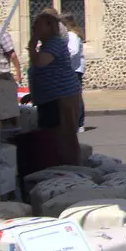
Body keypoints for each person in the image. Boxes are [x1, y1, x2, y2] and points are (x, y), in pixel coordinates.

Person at [27, 11, 83, 170]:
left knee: (64, 137)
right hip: (50, 97)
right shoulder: (48, 44)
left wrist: (33, 42)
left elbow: (40, 62)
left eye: (38, 23)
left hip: (62, 97)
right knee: (52, 135)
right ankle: (58, 167)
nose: (34, 26)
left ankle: (71, 170)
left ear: (49, 26)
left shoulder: (55, 42)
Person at [62, 14, 87, 129]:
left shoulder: (72, 35)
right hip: (75, 68)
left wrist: (62, 58)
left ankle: (79, 123)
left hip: (74, 69)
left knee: (75, 96)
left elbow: (74, 51)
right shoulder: (73, 34)